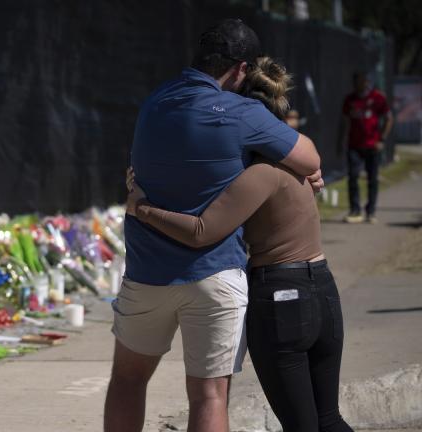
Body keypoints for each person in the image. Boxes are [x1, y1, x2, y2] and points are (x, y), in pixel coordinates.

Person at [103, 20, 323, 432]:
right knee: (208, 395)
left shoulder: (155, 102)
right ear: (241, 70)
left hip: (147, 273)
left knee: (128, 380)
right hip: (215, 272)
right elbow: (309, 159)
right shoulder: (244, 113)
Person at [339, 72, 394, 224]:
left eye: (362, 82)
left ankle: (371, 211)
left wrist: (382, 139)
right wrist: (340, 142)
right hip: (354, 145)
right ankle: (355, 210)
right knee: (353, 177)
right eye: (356, 82)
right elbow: (344, 122)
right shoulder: (350, 100)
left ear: (368, 82)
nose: (359, 85)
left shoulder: (378, 98)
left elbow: (389, 119)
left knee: (372, 179)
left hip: (372, 146)